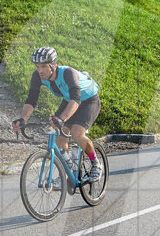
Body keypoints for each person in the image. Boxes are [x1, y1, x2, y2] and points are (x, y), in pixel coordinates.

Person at [13, 47, 103, 181]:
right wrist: (23, 119)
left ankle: (96, 164)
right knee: (60, 136)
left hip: (88, 100)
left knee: (77, 133)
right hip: (70, 100)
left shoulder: (68, 73)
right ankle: (66, 173)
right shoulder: (37, 76)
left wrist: (62, 118)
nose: (40, 70)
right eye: (37, 66)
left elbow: (76, 99)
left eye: (43, 66)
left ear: (53, 65)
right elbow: (31, 99)